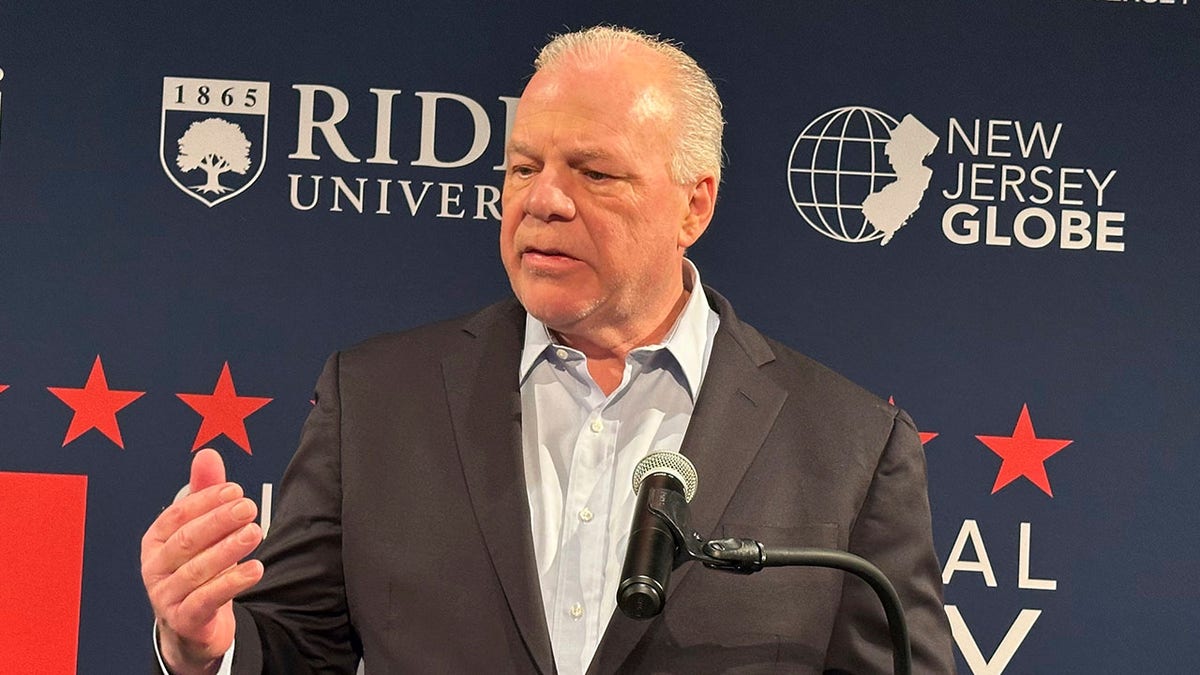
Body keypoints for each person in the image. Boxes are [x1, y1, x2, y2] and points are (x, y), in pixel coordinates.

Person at [141, 26, 955, 674]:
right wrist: (204, 647)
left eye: (595, 173)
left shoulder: (849, 445)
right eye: (523, 166)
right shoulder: (378, 398)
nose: (544, 201)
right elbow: (297, 649)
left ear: (693, 206)